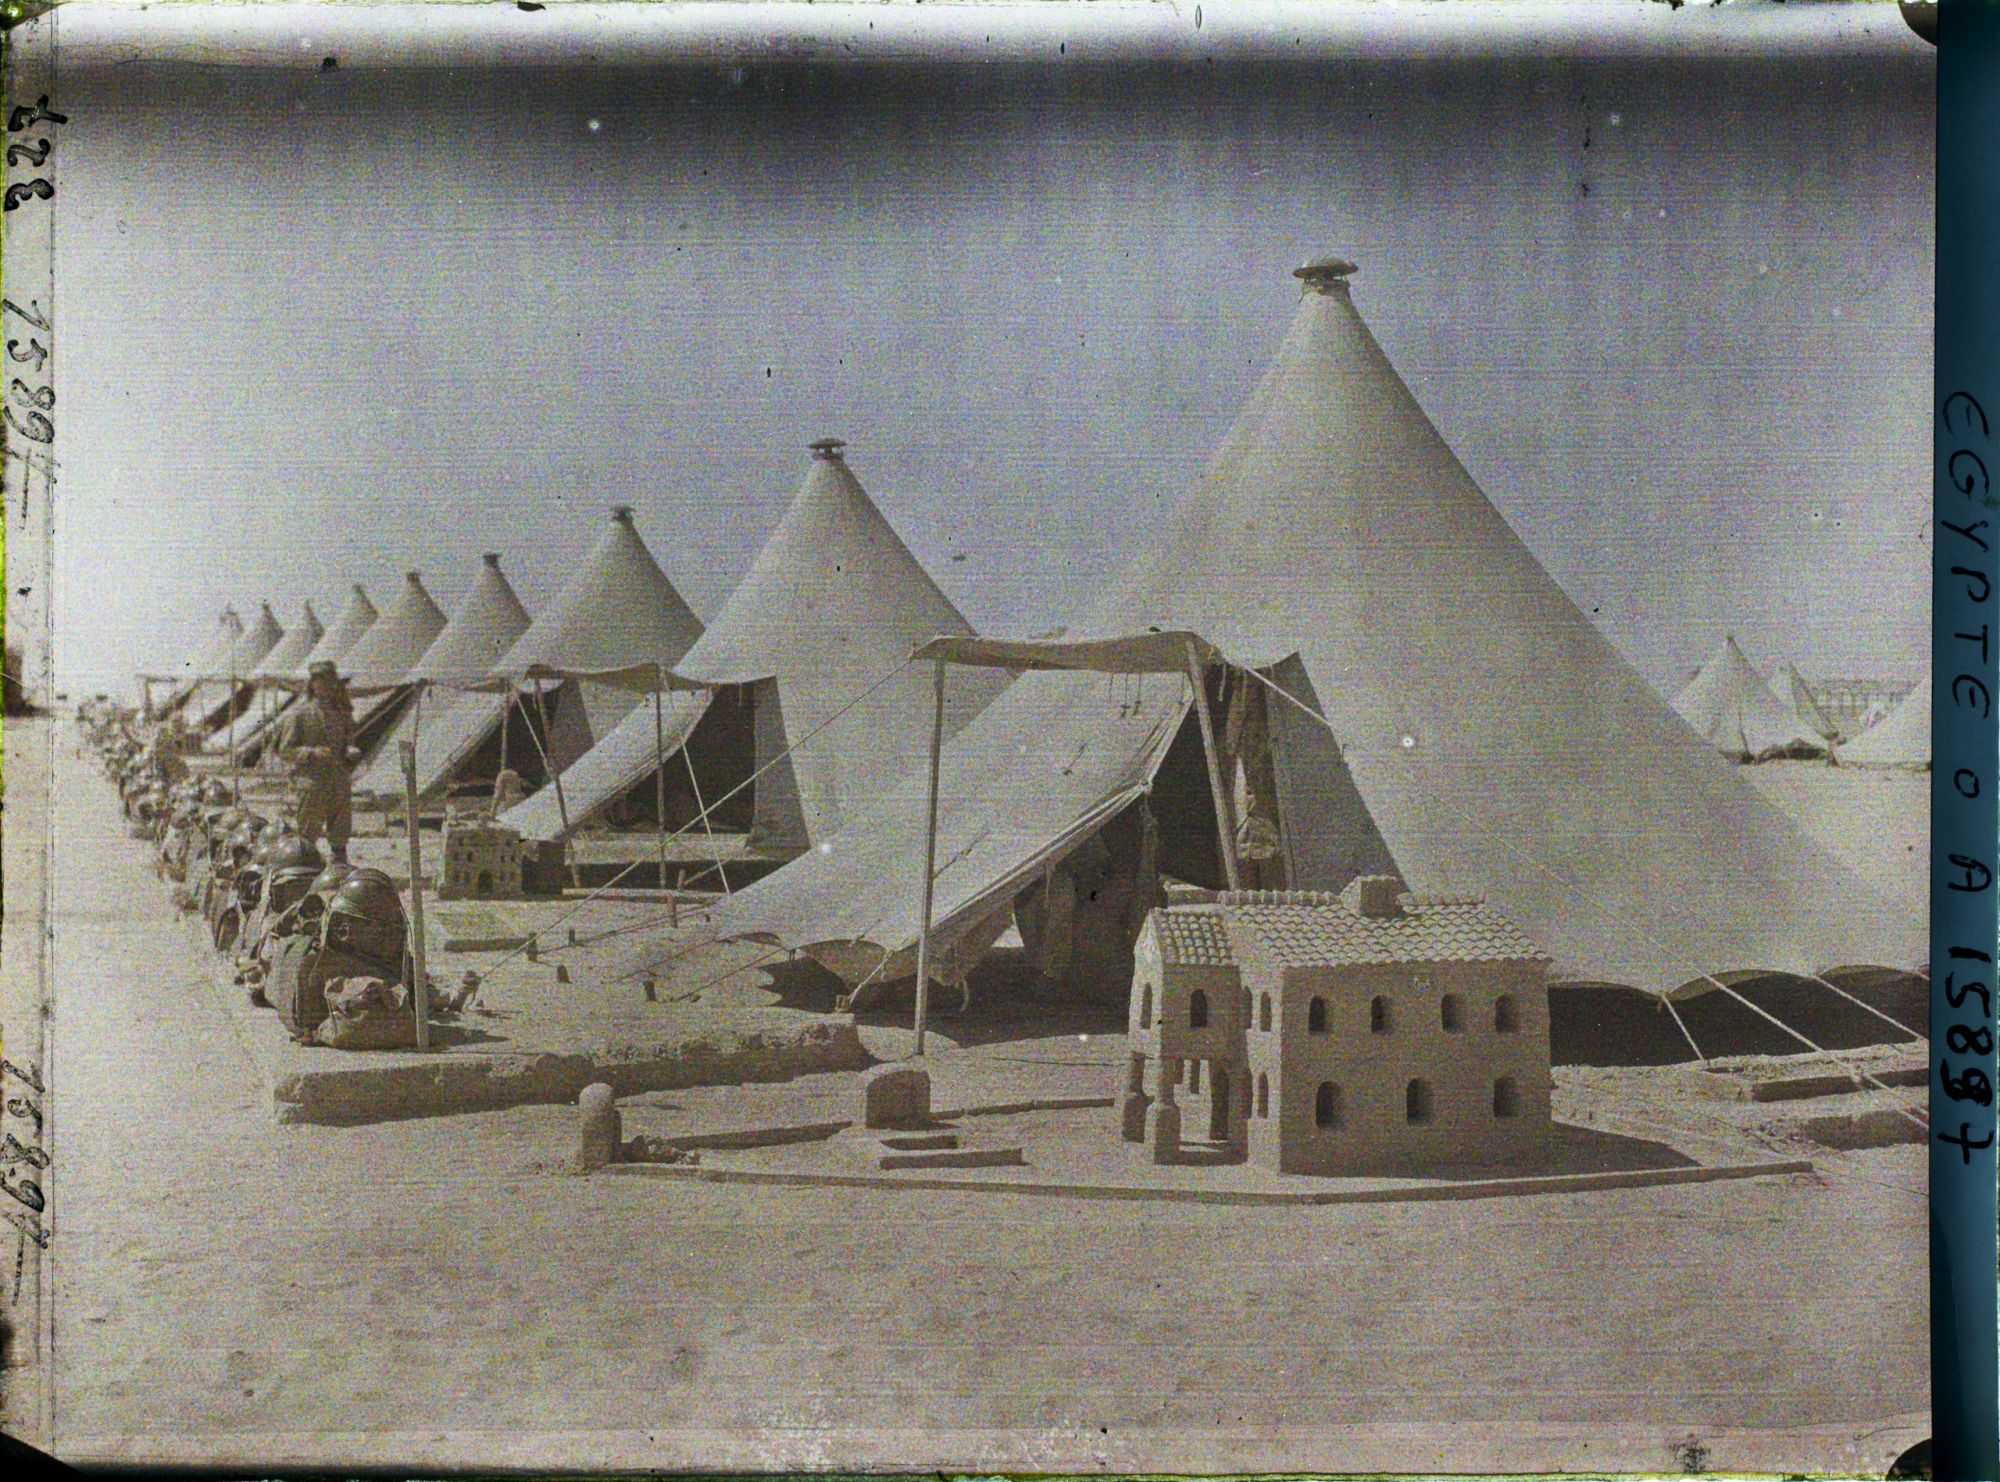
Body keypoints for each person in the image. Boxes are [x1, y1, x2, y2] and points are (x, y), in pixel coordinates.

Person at [279, 659, 357, 863]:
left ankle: (338, 876)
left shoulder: (342, 713)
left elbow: (350, 738)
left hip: (338, 783)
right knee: (306, 840)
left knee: (340, 839)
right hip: (312, 785)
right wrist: (312, 752)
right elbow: (285, 750)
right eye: (322, 681)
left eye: (331, 682)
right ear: (313, 684)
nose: (328, 686)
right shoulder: (300, 714)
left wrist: (351, 750)